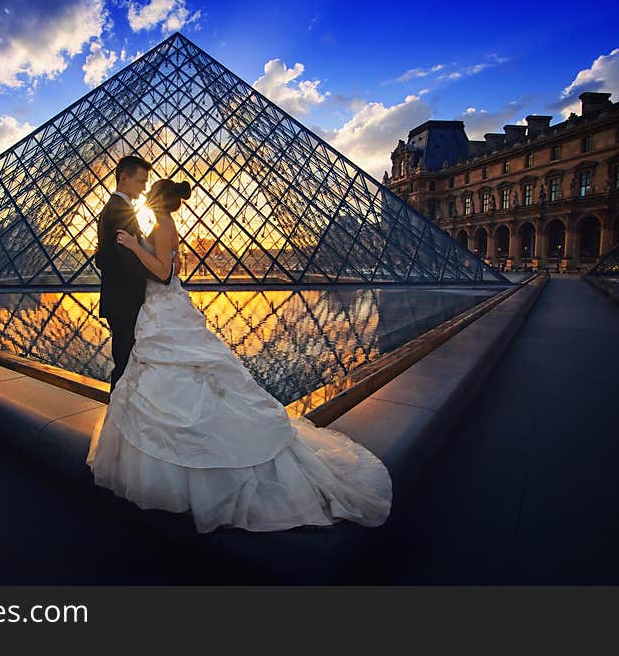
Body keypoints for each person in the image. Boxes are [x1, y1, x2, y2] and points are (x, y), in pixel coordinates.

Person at [87, 178, 392, 534]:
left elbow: (164, 271)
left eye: (148, 193)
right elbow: (176, 266)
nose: (143, 197)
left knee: (169, 383)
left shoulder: (162, 225)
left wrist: (133, 246)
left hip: (163, 312)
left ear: (156, 200)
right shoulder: (165, 225)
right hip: (164, 312)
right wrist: (146, 249)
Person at [95, 155, 172, 390]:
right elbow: (124, 259)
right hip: (125, 301)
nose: (144, 188)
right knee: (125, 365)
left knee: (126, 362)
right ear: (124, 178)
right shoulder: (119, 210)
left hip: (121, 300)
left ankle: (122, 415)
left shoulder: (117, 208)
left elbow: (106, 257)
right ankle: (118, 418)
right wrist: (159, 273)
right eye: (141, 182)